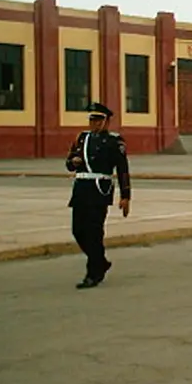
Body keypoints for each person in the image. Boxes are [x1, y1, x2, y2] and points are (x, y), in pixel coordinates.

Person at [65, 102, 131, 289]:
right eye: (92, 119)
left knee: (94, 232)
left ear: (107, 121)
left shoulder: (114, 141)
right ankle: (100, 261)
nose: (95, 123)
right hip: (81, 188)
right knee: (78, 230)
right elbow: (69, 163)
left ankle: (93, 272)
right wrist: (74, 162)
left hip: (99, 189)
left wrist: (125, 195)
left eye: (99, 120)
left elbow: (123, 169)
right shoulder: (81, 139)